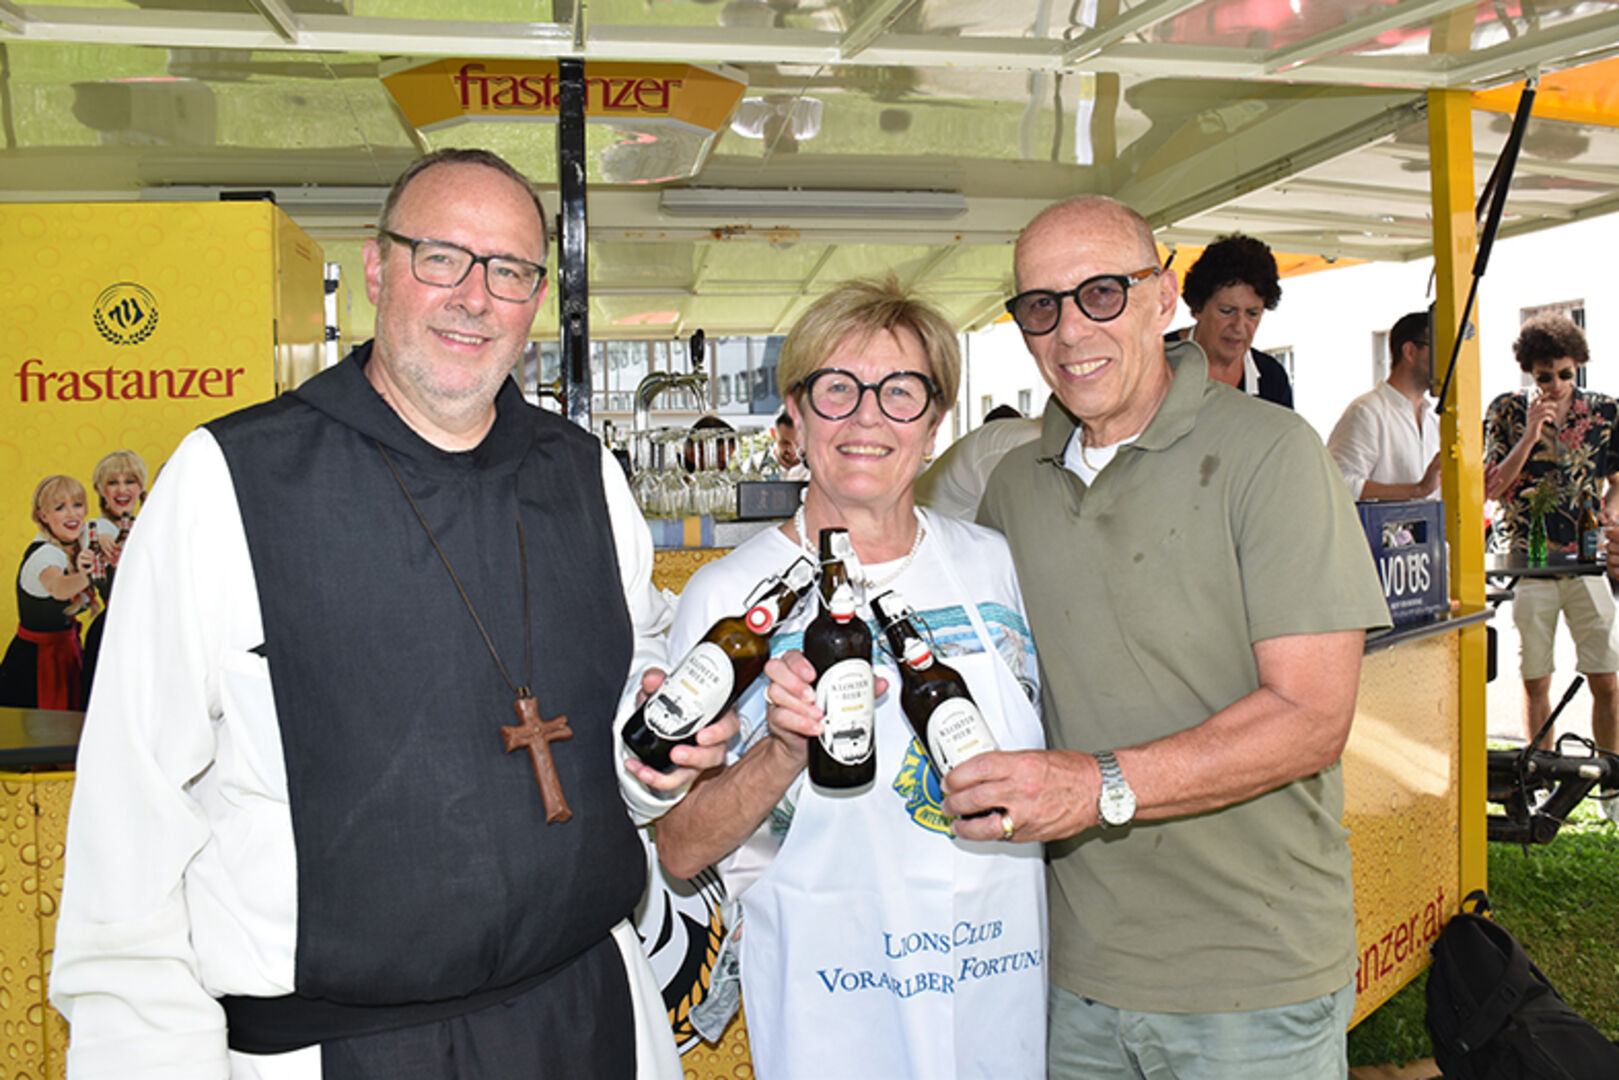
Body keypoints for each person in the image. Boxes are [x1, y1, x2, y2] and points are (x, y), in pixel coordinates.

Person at [51, 148, 728, 1080]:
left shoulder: (587, 478)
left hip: (590, 1013)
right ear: (375, 269)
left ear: (537, 300)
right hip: (340, 1047)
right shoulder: (230, 482)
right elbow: (130, 819)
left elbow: (620, 741)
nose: (474, 296)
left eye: (510, 271)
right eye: (440, 256)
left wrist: (657, 769)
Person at [943, 196, 1388, 1079]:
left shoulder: (1274, 455)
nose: (1070, 330)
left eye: (1101, 293)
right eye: (1041, 306)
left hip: (1248, 979)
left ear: (1160, 296)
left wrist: (1096, 784)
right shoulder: (1012, 490)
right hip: (1068, 974)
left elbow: (1311, 717)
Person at [651, 277, 1047, 1078]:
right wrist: (781, 751)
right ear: (793, 418)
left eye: (900, 392)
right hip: (830, 1004)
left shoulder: (992, 565)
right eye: (837, 389)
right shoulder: (729, 599)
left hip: (994, 980)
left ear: (935, 425)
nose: (867, 418)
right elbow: (680, 849)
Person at [1485, 314, 1619, 751]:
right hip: (1528, 560)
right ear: (1530, 371)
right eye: (1546, 377)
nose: (1557, 384)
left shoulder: (1605, 411)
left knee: (1606, 678)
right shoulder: (1506, 409)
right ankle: (1540, 779)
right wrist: (1528, 436)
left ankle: (1611, 781)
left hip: (1587, 559)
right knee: (1536, 679)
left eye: (1567, 373)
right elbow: (1490, 489)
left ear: (1578, 364)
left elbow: (1617, 479)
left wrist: (1612, 513)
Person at [0, 475, 98, 710]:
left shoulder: (76, 541)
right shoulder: (44, 556)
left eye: (77, 505)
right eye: (60, 508)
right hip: (37, 665)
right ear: (43, 516)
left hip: (66, 654)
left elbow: (98, 528)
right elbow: (59, 588)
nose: (72, 514)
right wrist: (88, 575)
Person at [1326, 311, 1442, 501]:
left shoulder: (1432, 422)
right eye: (1439, 349)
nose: (1447, 361)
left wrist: (1476, 491)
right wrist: (1416, 490)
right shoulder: (1367, 412)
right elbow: (1338, 484)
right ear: (1410, 352)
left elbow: (1433, 494)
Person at [1168, 233, 1292, 407]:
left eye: (1252, 313)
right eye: (1227, 311)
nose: (1239, 327)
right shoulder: (1157, 362)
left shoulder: (1272, 378)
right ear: (1198, 308)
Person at [79, 448, 148, 701]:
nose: (122, 490)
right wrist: (103, 539)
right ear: (99, 489)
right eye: (113, 483)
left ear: (141, 487)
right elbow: (89, 537)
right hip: (113, 631)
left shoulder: (146, 524)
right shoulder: (98, 530)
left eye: (130, 481)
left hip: (147, 631)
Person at [772, 409, 809, 479]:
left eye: (798, 442)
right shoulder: (756, 466)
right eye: (785, 443)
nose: (792, 449)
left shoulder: (817, 468)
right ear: (773, 434)